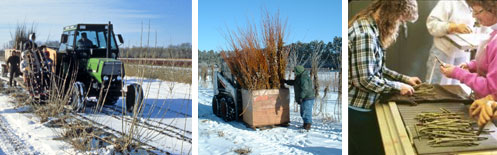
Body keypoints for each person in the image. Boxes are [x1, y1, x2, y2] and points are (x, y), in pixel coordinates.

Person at [348, 0, 420, 154]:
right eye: (400, 19)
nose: (400, 24)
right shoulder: (366, 34)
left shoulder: (372, 27)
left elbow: (378, 69)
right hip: (357, 108)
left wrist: (404, 79)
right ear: (390, 13)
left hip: (366, 105)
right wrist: (398, 87)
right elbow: (365, 79)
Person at [440, 0, 497, 128]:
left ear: (493, 9)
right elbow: (490, 62)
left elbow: (490, 88)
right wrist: (472, 66)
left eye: (477, 12)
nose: (473, 16)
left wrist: (458, 73)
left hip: (490, 111)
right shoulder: (493, 33)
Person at [425, 0, 485, 85]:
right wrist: (452, 27)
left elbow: (486, 29)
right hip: (443, 52)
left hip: (463, 54)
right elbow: (431, 25)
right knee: (434, 88)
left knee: (457, 91)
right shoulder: (448, 2)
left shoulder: (482, 4)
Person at [284, 65, 315, 131]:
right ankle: (305, 124)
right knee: (303, 112)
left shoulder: (304, 78)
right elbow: (295, 83)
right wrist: (286, 81)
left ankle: (307, 126)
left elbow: (305, 89)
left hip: (307, 98)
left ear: (299, 71)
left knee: (306, 112)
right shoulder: (300, 77)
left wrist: (301, 97)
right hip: (304, 98)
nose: (294, 73)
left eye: (295, 72)